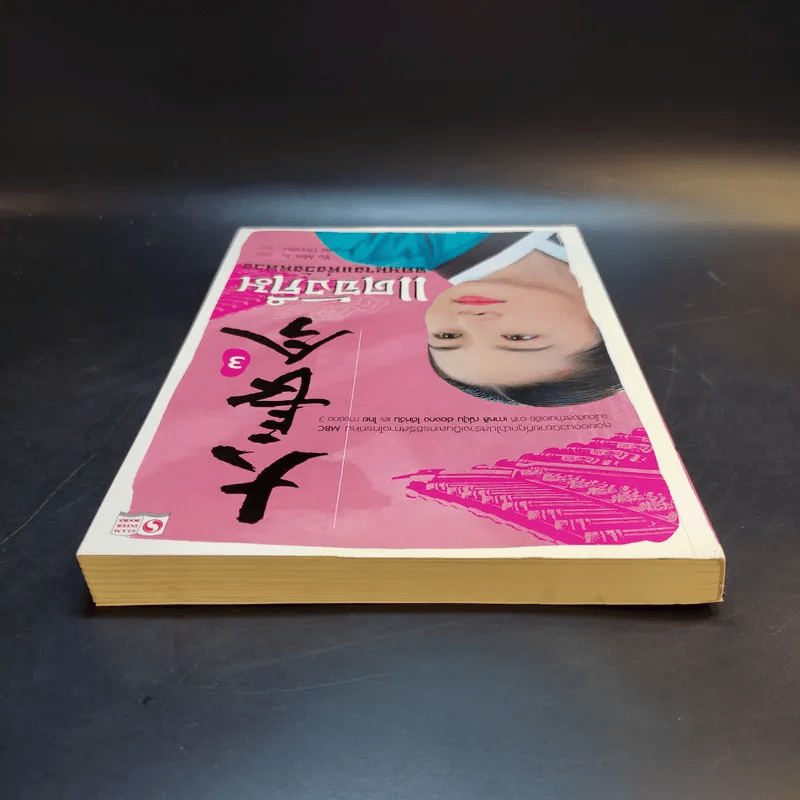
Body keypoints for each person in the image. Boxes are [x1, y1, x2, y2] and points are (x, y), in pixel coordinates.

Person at [316, 231, 622, 406]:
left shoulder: (378, 240)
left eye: (449, 337)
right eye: (517, 338)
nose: (470, 321)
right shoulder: (631, 232)